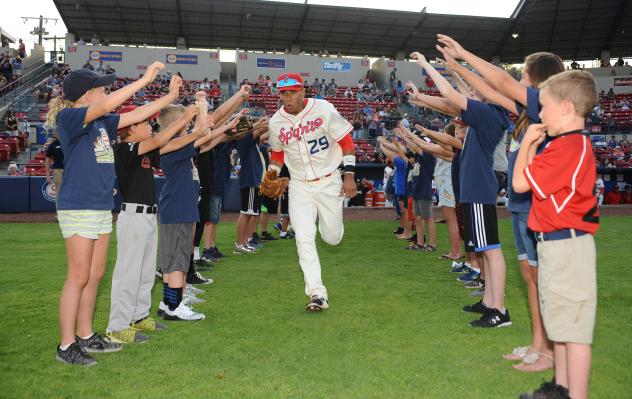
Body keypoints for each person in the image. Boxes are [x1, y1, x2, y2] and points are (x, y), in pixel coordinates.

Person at [437, 38, 565, 369]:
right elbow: (493, 90)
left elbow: (501, 84)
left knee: (540, 277)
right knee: (530, 276)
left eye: (525, 76)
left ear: (539, 81)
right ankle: (539, 344)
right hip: (523, 203)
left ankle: (549, 350)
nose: (519, 81)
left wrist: (464, 54)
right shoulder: (526, 110)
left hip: (539, 204)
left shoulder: (541, 104)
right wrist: (456, 67)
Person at [44, 62, 169, 366]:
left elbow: (136, 115)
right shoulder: (70, 117)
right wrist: (143, 80)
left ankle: (86, 335)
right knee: (79, 274)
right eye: (101, 88)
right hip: (79, 204)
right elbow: (115, 103)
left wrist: (169, 96)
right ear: (86, 95)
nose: (106, 91)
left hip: (100, 205)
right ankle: (66, 343)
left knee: (95, 274)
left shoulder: (101, 123)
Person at [513, 70, 600, 399]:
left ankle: (572, 394)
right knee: (561, 327)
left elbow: (520, 183)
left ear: (565, 107)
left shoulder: (566, 147)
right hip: (557, 244)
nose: (540, 114)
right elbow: (532, 182)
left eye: (545, 106)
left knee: (573, 333)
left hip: (567, 245)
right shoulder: (565, 145)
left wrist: (527, 144)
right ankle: (560, 389)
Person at [412, 51, 511, 328]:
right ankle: (490, 301)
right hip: (475, 189)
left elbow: (452, 96)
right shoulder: (489, 113)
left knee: (491, 250)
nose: (472, 91)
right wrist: (454, 71)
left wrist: (427, 66)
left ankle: (499, 309)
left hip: (479, 189)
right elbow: (462, 93)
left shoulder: (489, 114)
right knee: (485, 248)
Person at [107, 77, 199, 343]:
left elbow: (168, 143)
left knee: (145, 271)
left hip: (147, 215)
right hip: (133, 216)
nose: (149, 125)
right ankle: (118, 325)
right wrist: (185, 119)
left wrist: (194, 128)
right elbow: (161, 139)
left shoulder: (144, 151)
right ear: (131, 129)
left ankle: (138, 317)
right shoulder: (125, 149)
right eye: (144, 123)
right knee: (129, 272)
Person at [266, 72, 358, 312]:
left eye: (293, 92)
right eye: (283, 93)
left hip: (329, 181)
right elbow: (277, 154)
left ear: (303, 91)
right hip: (300, 185)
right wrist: (272, 173)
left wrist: (349, 175)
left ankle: (325, 221)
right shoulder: (276, 122)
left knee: (331, 238)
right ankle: (317, 294)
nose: (288, 97)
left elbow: (346, 141)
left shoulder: (324, 109)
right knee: (304, 238)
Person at [45, 133, 65, 199]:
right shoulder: (53, 145)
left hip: (70, 170)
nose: (58, 133)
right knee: (59, 192)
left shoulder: (69, 142)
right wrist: (48, 176)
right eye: (57, 132)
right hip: (58, 170)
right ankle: (59, 209)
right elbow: (48, 161)